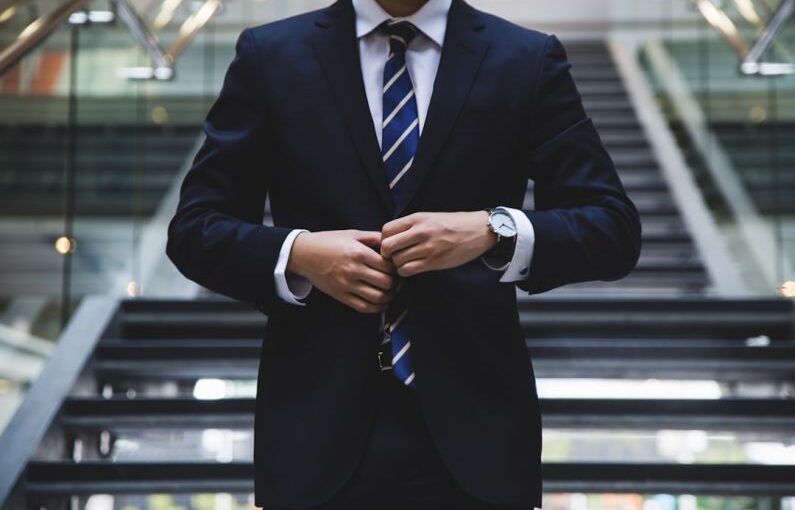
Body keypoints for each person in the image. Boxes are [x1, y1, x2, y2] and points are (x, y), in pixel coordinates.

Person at [166, 0, 641, 508]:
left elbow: (612, 228)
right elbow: (195, 230)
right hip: (315, 434)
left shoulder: (525, 57)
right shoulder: (271, 55)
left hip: (479, 439)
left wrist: (493, 229)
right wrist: (299, 254)